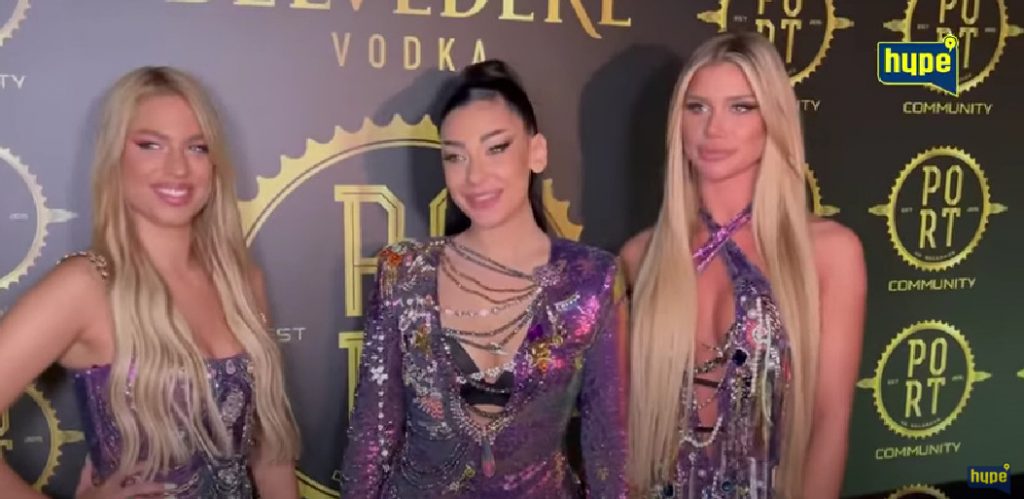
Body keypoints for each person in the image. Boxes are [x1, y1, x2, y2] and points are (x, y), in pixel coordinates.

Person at [0, 66, 301, 498]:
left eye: (197, 147)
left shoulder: (243, 282)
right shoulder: (85, 287)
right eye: (150, 145)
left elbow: (270, 450)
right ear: (115, 158)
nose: (177, 168)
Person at [339, 59, 629, 497]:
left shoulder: (591, 281)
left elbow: (609, 453)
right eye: (455, 156)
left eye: (496, 148)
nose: (475, 176)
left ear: (536, 152)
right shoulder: (405, 273)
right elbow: (370, 440)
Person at [620, 32, 867, 498]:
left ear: (773, 119)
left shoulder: (830, 253)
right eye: (697, 108)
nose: (714, 129)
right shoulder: (640, 259)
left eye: (741, 107)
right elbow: (627, 433)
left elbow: (829, 422)